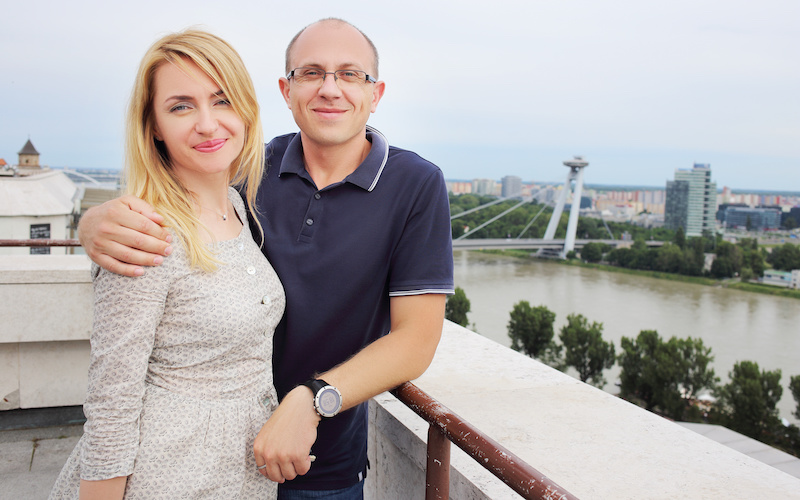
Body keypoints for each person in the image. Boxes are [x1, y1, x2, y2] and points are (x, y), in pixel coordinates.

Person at [78, 18, 454, 499]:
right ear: (286, 89)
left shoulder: (416, 184)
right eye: (312, 72)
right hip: (201, 465)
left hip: (322, 462)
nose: (330, 89)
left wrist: (313, 399)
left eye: (350, 74)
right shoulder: (247, 169)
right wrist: (91, 225)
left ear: (375, 92)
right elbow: (172, 200)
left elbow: (416, 340)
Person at [51, 29, 284, 499]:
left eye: (222, 100)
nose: (207, 123)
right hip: (169, 475)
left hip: (239, 473)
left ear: (245, 110)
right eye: (181, 106)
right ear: (154, 125)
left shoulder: (239, 208)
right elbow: (112, 397)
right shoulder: (146, 233)